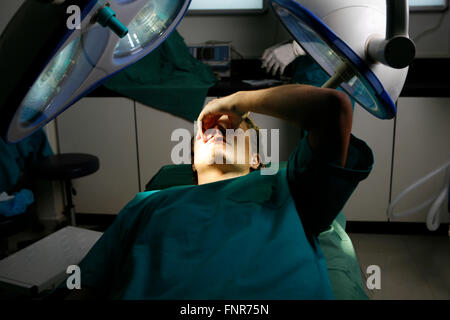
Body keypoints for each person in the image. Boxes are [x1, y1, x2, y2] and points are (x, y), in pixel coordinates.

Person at [61, 84, 373, 299]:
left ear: (255, 160)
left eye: (234, 127)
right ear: (193, 161)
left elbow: (332, 108)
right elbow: (86, 284)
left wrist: (235, 101)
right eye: (208, 130)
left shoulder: (287, 190)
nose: (219, 127)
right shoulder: (147, 204)